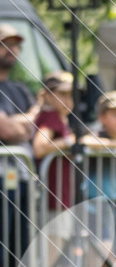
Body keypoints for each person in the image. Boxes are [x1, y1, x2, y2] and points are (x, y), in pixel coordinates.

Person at [0, 23, 37, 267]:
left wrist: (23, 124)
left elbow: (32, 130)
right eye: (5, 43)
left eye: (15, 44)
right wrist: (28, 119)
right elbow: (8, 129)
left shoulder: (20, 90)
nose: (12, 50)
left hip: (22, 179)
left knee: (19, 251)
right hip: (2, 181)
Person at [33, 71, 76, 211]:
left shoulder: (60, 117)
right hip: (53, 195)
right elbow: (39, 148)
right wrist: (70, 142)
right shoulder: (51, 116)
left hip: (60, 194)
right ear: (48, 95)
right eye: (63, 94)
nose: (68, 100)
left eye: (71, 95)